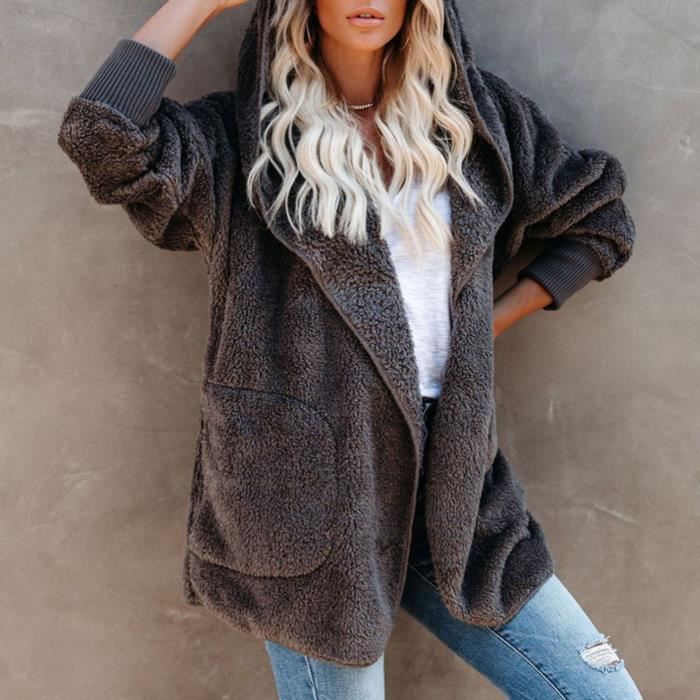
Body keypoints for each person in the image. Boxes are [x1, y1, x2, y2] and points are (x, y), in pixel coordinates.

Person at [57, 0, 644, 697]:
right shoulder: (237, 140)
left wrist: (483, 328)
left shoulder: (478, 123)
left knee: (600, 690)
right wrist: (199, 2)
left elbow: (599, 220)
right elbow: (101, 139)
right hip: (309, 494)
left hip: (455, 481)